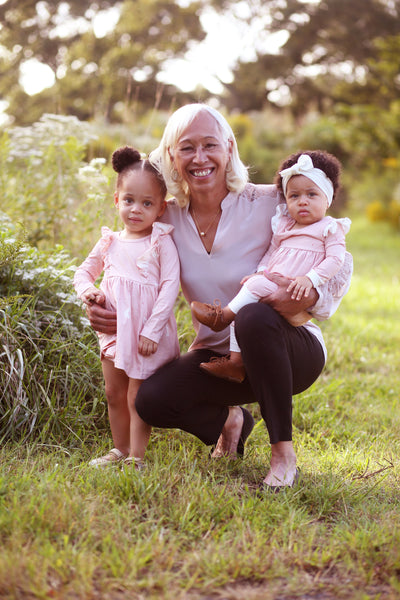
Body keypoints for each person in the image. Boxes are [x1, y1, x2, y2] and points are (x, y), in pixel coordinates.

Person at [87, 104, 352, 491]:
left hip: (287, 348)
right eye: (187, 147)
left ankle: (283, 454)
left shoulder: (269, 203)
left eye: (210, 145)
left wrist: (311, 294)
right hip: (215, 356)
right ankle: (232, 422)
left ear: (228, 148)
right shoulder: (164, 218)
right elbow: (126, 264)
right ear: (171, 157)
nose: (200, 158)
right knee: (152, 400)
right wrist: (106, 309)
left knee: (252, 317)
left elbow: (337, 251)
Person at [191, 151, 351, 384]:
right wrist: (260, 271)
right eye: (294, 196)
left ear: (327, 199)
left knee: (250, 294)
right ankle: (236, 363)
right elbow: (271, 252)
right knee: (247, 300)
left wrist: (310, 279)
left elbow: (336, 260)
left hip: (295, 288)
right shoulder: (285, 225)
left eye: (311, 194)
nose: (302, 201)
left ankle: (223, 316)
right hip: (274, 279)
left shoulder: (330, 228)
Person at [74, 146, 180, 469]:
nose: (136, 209)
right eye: (130, 200)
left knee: (136, 396)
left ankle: (136, 457)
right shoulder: (109, 242)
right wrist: (88, 292)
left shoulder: (160, 242)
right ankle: (118, 449)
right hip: (113, 333)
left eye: (147, 203)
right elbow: (83, 273)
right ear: (116, 200)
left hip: (144, 336)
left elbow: (169, 288)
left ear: (161, 208)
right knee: (113, 392)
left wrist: (152, 330)